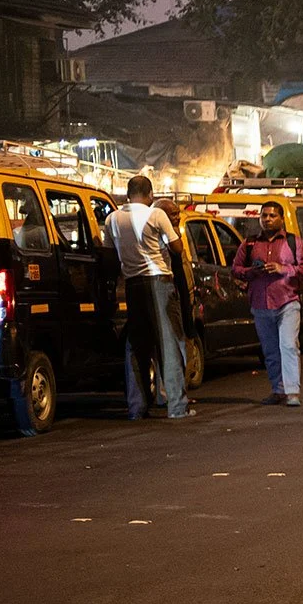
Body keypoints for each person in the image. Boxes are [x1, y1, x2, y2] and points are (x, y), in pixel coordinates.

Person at [103, 175, 192, 420]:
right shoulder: (156, 214)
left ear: (127, 193)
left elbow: (109, 255)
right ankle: (177, 407)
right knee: (169, 343)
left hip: (132, 285)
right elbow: (177, 248)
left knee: (135, 346)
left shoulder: (111, 219)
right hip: (159, 281)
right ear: (150, 194)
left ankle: (136, 407)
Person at [232, 202, 303, 407]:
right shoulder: (249, 244)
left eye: (272, 216)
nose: (267, 219)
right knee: (270, 350)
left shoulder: (293, 242)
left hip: (287, 302)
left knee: (288, 345)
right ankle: (278, 390)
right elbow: (235, 269)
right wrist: (252, 272)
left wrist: (283, 268)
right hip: (260, 304)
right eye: (264, 216)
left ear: (281, 219)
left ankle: (292, 392)